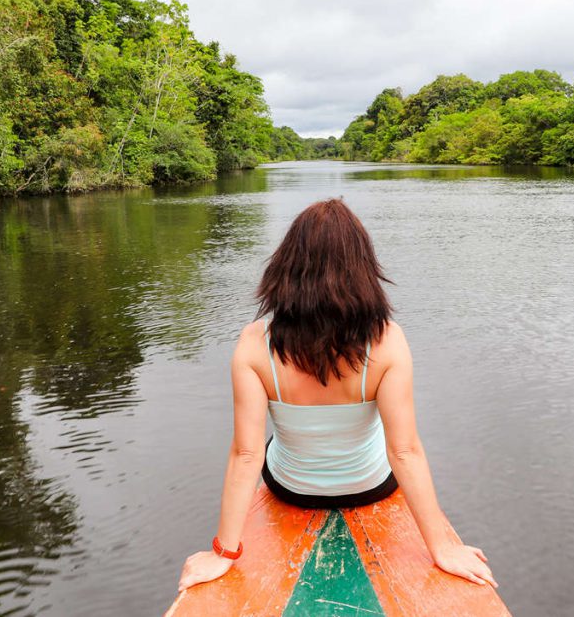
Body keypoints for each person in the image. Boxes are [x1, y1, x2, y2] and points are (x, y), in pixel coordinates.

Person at [178, 198, 497, 591]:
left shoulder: (252, 343)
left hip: (291, 488)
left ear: (287, 265)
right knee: (386, 432)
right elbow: (405, 452)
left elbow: (247, 454)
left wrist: (222, 552)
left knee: (278, 438)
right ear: (363, 270)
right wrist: (443, 548)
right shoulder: (387, 341)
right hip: (368, 487)